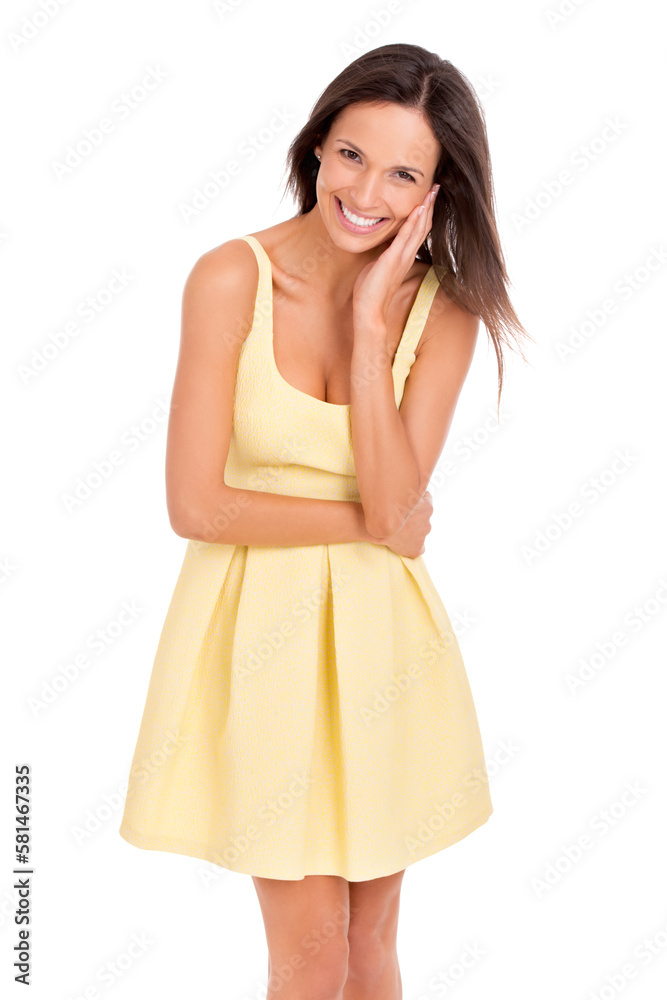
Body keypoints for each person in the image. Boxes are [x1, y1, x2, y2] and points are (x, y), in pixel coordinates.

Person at [119, 42, 530, 1000]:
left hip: (382, 643)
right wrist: (373, 523)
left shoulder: (442, 313)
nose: (367, 192)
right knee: (307, 954)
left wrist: (372, 330)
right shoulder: (231, 278)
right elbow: (198, 505)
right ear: (315, 146)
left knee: (369, 942)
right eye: (351, 154)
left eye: (402, 173)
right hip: (261, 634)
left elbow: (400, 507)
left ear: (436, 192)